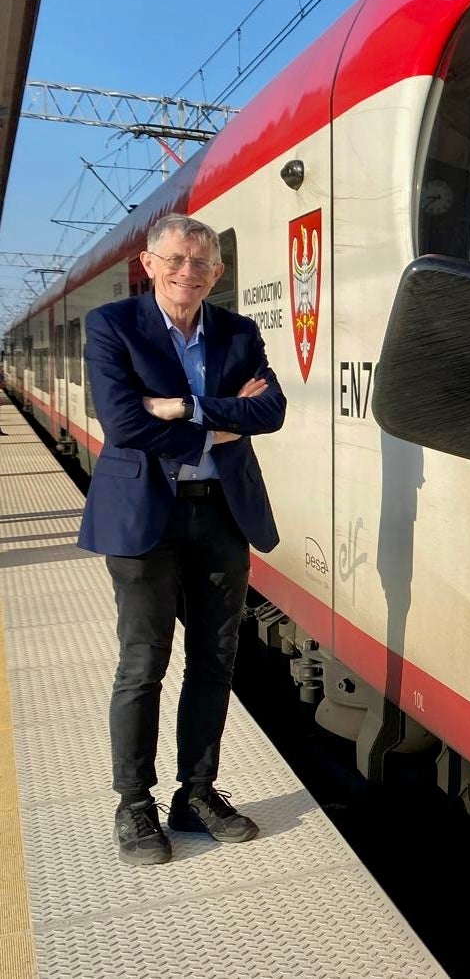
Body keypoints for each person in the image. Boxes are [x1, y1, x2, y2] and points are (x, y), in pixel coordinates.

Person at [79, 213, 286, 865]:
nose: (186, 273)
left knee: (214, 661)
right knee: (143, 664)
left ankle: (194, 794)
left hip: (220, 513)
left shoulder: (238, 331)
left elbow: (270, 410)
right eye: (174, 260)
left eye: (200, 264)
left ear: (217, 273)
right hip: (145, 516)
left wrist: (184, 408)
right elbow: (122, 424)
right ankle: (134, 803)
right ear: (149, 263)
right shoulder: (111, 326)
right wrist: (218, 428)